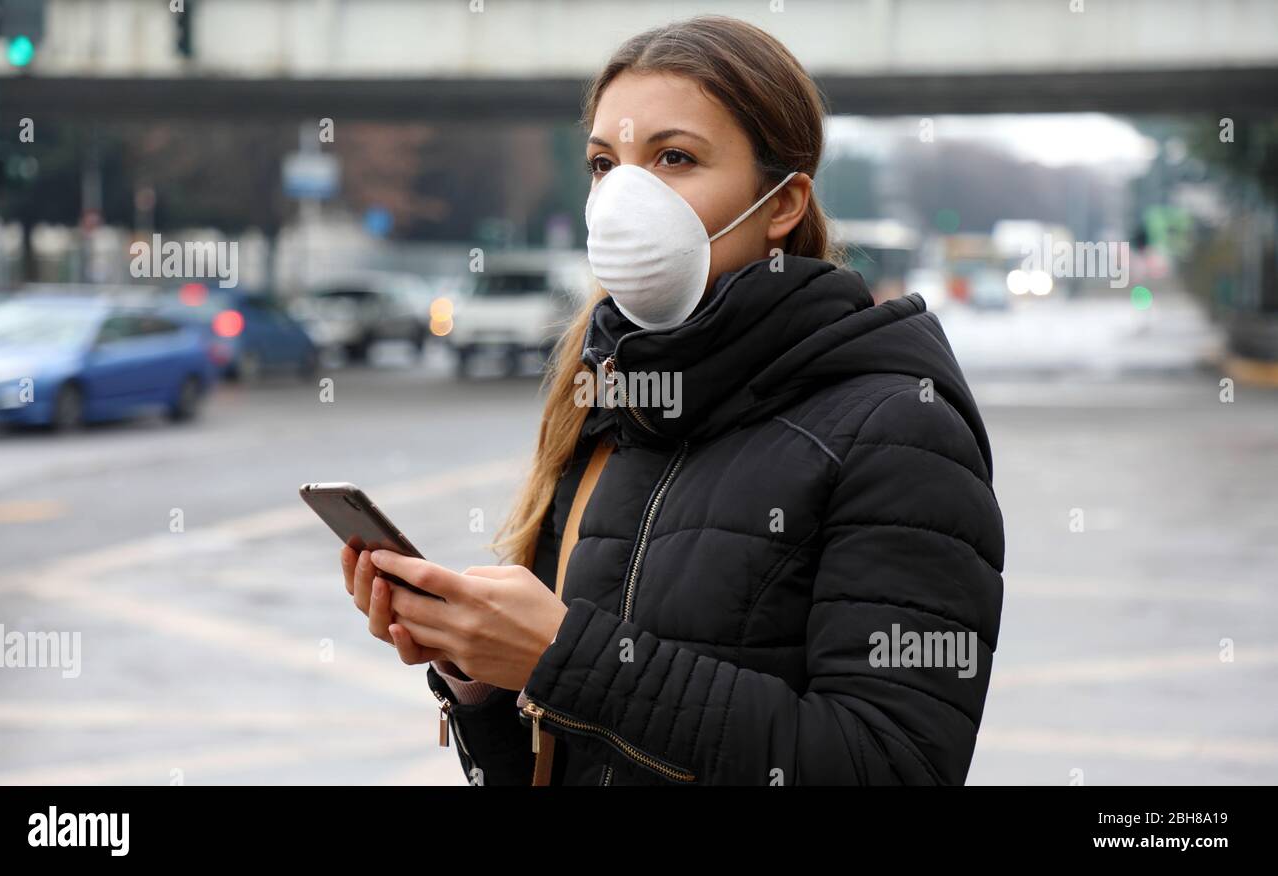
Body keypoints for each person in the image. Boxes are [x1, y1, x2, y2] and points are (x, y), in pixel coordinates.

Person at [340, 14, 1004, 785]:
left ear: (782, 204)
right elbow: (563, 763)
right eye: (602, 164)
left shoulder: (897, 427)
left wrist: (566, 658)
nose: (624, 198)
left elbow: (892, 766)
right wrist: (481, 677)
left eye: (674, 157)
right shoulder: (606, 407)